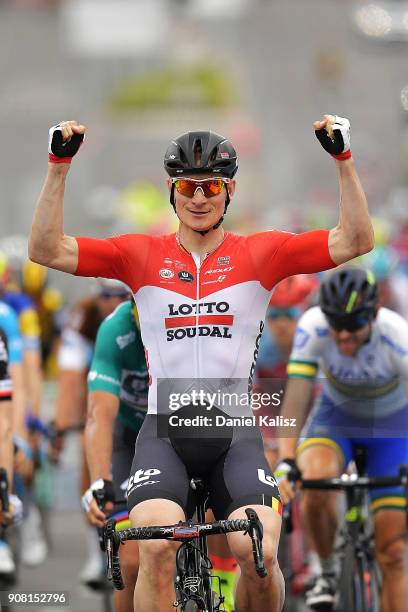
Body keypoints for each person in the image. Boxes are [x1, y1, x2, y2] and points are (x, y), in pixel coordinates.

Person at [28, 115, 373, 612]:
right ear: (172, 191)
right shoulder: (138, 255)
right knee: (153, 547)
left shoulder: (262, 253)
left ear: (228, 190)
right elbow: (45, 248)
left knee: (257, 551)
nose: (198, 197)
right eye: (187, 186)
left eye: (210, 186)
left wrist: (343, 159)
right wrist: (58, 166)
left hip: (234, 436)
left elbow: (354, 240)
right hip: (164, 435)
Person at [277, 267, 408, 612]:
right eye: (338, 328)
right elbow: (295, 399)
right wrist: (286, 460)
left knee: (392, 552)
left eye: (354, 328)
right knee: (315, 479)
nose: (344, 338)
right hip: (336, 420)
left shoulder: (397, 335)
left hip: (392, 430)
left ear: (374, 315)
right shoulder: (313, 325)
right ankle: (328, 570)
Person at [82, 298, 149, 612]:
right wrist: (100, 481)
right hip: (130, 439)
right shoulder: (115, 330)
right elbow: (99, 416)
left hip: (181, 433)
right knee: (132, 558)